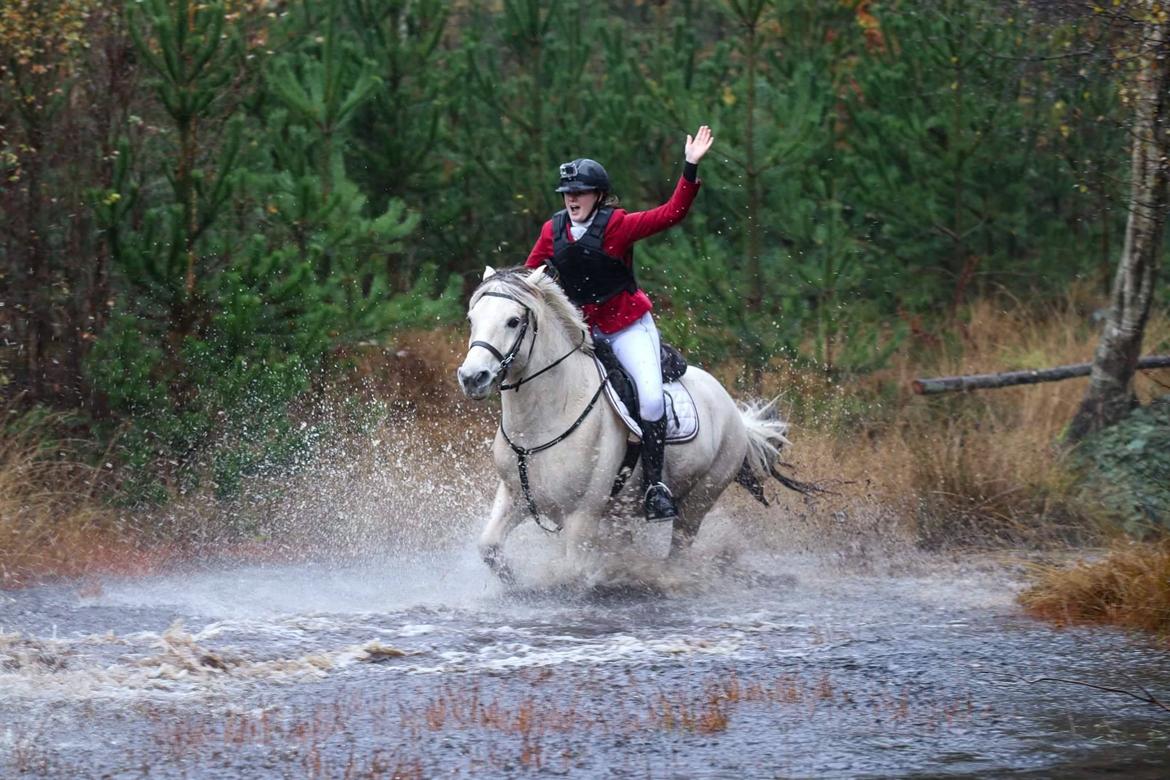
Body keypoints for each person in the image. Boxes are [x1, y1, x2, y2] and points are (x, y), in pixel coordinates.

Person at [524, 125, 715, 523]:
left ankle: (655, 486)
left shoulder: (619, 225)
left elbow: (671, 213)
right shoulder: (552, 230)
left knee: (648, 399)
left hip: (628, 328)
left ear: (598, 196)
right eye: (567, 194)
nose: (571, 199)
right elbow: (530, 277)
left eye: (579, 192)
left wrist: (691, 166)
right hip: (583, 332)